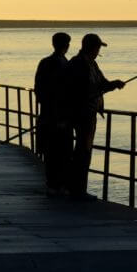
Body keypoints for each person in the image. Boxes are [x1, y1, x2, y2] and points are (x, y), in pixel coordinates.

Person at [63, 33, 125, 200]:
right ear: (92, 47)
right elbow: (84, 89)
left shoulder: (91, 64)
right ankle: (77, 190)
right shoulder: (78, 64)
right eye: (98, 47)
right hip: (82, 113)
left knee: (84, 151)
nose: (98, 51)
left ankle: (77, 188)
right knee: (83, 151)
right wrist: (107, 87)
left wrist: (114, 84)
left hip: (88, 113)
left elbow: (102, 84)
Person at [35, 32, 72, 196]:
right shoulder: (63, 64)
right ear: (67, 45)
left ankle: (54, 183)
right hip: (59, 116)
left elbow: (39, 90)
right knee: (62, 151)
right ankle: (59, 184)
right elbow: (63, 92)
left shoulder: (45, 62)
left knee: (51, 151)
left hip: (47, 114)